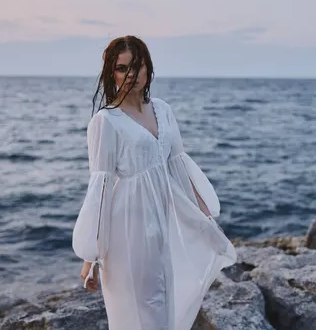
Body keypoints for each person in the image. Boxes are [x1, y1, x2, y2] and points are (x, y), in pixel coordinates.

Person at [72, 35, 237, 330]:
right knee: (138, 315)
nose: (131, 75)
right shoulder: (105, 121)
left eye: (137, 66)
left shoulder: (163, 110)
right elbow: (100, 190)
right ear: (113, 73)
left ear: (149, 68)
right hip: (128, 234)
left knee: (163, 309)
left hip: (161, 230)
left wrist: (206, 220)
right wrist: (91, 257)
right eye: (122, 68)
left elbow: (180, 170)